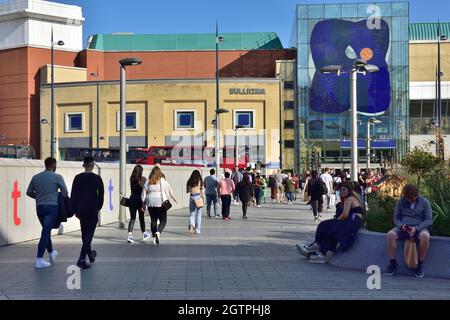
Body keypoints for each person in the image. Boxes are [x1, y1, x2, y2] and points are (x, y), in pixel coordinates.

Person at [298, 182, 364, 264]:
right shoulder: (351, 198)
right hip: (352, 221)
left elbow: (345, 215)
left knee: (330, 228)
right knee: (327, 227)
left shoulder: (349, 199)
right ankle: (318, 248)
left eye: (344, 190)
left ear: (349, 190)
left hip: (352, 221)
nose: (341, 192)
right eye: (340, 190)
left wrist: (336, 220)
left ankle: (319, 249)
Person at [26, 157, 69, 269]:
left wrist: (39, 197)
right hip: (52, 208)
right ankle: (39, 259)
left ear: (45, 165)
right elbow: (65, 193)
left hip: (40, 207)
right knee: (45, 232)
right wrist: (56, 194)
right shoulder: (57, 177)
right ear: (53, 165)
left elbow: (29, 192)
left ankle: (51, 253)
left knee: (46, 230)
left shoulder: (36, 177)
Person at [386, 185, 433, 278]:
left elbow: (428, 220)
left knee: (425, 236)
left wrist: (417, 228)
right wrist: (401, 225)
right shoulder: (401, 202)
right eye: (409, 199)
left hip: (419, 227)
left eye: (413, 198)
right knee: (390, 235)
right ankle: (393, 263)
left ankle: (419, 264)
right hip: (403, 226)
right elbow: (396, 218)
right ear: (405, 196)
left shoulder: (425, 202)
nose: (411, 200)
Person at [71, 156, 104, 270]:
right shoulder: (97, 179)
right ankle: (81, 258)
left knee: (85, 234)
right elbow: (101, 195)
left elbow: (73, 195)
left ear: (83, 165)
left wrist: (75, 209)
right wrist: (98, 207)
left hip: (81, 209)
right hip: (92, 208)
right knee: (89, 235)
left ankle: (90, 255)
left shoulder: (77, 178)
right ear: (93, 165)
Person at [141, 166, 177, 245]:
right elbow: (168, 190)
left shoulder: (148, 181)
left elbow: (143, 194)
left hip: (150, 203)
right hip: (160, 202)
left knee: (153, 220)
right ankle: (158, 233)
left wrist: (144, 203)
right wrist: (170, 198)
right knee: (163, 220)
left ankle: (154, 237)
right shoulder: (162, 181)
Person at [127, 165, 150, 243]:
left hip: (132, 199)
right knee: (141, 218)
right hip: (140, 201)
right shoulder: (143, 179)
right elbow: (146, 188)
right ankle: (144, 234)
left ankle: (130, 235)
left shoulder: (132, 178)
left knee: (132, 218)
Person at [187, 170, 204, 234]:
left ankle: (192, 224)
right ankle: (197, 230)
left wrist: (191, 189)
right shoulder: (200, 181)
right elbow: (201, 190)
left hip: (192, 197)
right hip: (198, 197)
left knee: (192, 214)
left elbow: (187, 191)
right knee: (199, 215)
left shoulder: (189, 181)